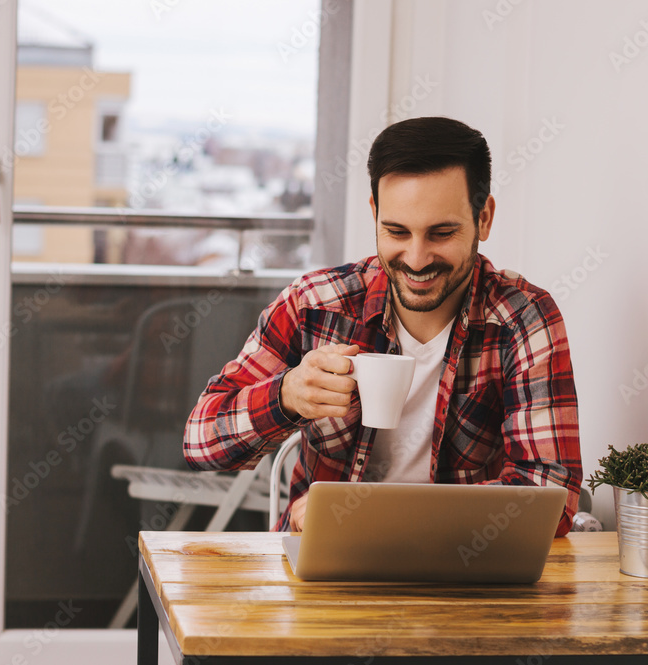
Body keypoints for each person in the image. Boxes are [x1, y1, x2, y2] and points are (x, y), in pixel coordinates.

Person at [183, 116, 582, 535]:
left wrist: (373, 518)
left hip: (460, 572)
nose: (415, 258)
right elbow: (200, 442)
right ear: (374, 213)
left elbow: (551, 497)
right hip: (322, 570)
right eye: (396, 231)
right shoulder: (315, 304)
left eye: (441, 233)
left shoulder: (523, 318)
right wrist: (286, 396)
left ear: (483, 218)